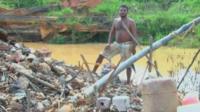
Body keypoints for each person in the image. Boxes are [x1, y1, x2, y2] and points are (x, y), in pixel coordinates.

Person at [92, 4, 137, 84]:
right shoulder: (116, 21)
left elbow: (134, 36)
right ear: (119, 11)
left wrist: (133, 47)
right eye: (121, 10)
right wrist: (108, 43)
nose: (122, 12)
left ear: (127, 12)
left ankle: (128, 81)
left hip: (127, 45)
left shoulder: (131, 22)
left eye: (124, 10)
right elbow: (112, 32)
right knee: (101, 55)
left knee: (128, 64)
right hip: (117, 44)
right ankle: (93, 71)